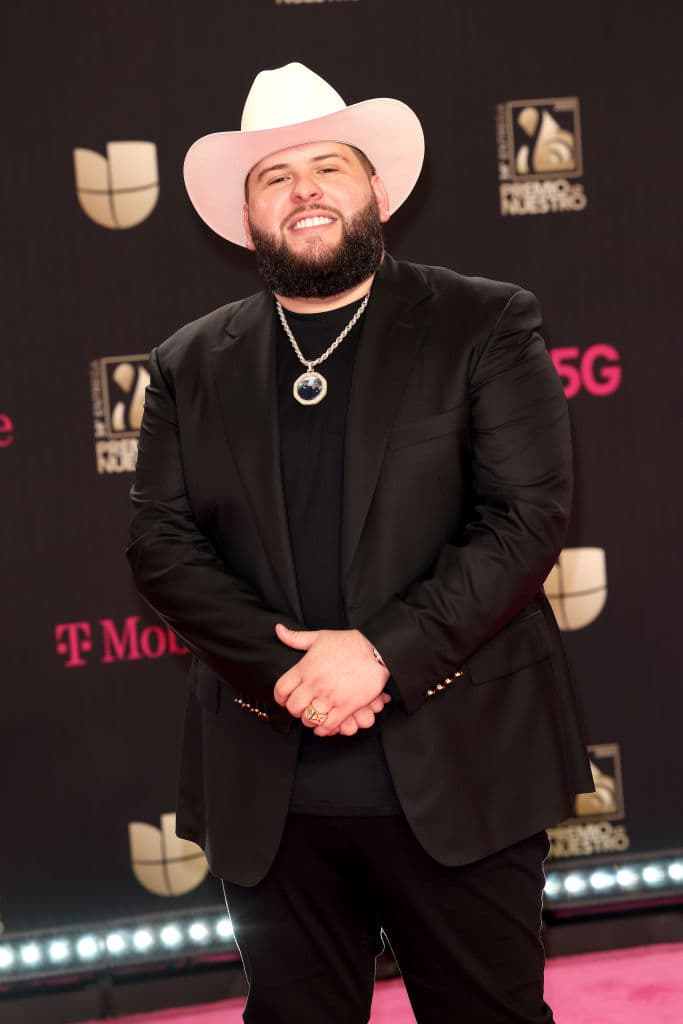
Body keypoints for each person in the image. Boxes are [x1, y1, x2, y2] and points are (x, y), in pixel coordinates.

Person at [127, 62, 593, 1024]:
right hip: (271, 791)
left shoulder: (483, 321)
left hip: (463, 771)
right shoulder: (187, 363)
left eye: (327, 166)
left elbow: (525, 516)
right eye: (274, 175)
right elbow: (162, 545)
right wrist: (295, 675)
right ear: (247, 215)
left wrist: (377, 655)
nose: (303, 189)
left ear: (374, 188)